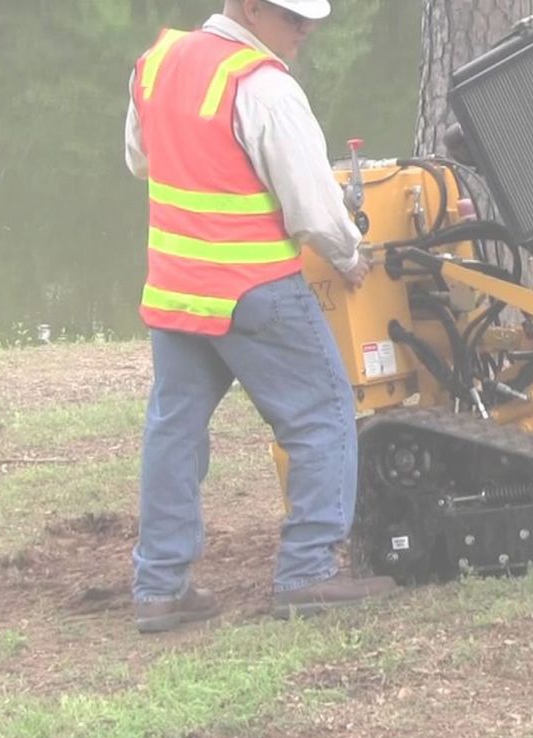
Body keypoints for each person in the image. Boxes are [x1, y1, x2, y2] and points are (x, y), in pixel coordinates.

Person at [124, 0, 397, 633]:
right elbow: (314, 208)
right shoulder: (265, 86)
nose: (305, 29)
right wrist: (349, 255)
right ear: (249, 7)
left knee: (173, 430)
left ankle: (160, 587)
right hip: (254, 290)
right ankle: (307, 572)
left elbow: (142, 159)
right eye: (293, 17)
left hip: (175, 288)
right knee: (324, 413)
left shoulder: (155, 63)